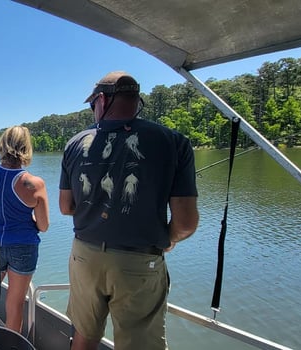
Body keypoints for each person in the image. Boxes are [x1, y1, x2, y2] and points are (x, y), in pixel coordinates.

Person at [59, 71, 199, 350]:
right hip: (139, 263)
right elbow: (185, 222)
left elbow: (66, 207)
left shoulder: (75, 144)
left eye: (92, 105)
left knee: (84, 336)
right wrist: (168, 239)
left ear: (102, 99)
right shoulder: (174, 142)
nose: (92, 111)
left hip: (85, 258)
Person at [0, 126, 50, 334]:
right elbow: (43, 226)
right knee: (15, 304)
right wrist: (28, 220)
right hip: (23, 246)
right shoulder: (34, 184)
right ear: (27, 147)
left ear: (2, 145)